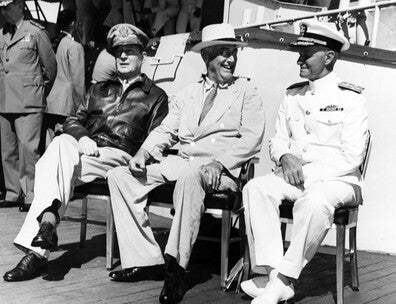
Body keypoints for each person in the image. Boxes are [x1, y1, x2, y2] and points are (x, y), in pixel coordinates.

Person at [105, 23, 265, 304]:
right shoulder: (189, 93)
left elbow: (252, 139)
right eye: (223, 53)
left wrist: (220, 163)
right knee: (119, 176)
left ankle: (176, 269)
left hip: (219, 170)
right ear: (207, 58)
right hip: (182, 163)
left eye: (233, 53)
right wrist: (143, 153)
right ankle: (146, 259)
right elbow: (167, 130)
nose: (230, 59)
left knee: (191, 178)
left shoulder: (246, 92)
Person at [3, 23, 169, 282]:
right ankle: (45, 228)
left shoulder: (155, 96)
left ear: (142, 55)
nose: (123, 56)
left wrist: (137, 157)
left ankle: (37, 252)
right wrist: (81, 138)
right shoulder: (100, 89)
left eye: (130, 51)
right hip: (86, 153)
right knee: (60, 146)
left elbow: (157, 137)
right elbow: (72, 120)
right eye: (119, 52)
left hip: (121, 156)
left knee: (56, 161)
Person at [240, 20, 368, 304]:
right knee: (256, 188)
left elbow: (352, 156)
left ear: (329, 57)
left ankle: (283, 280)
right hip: (296, 176)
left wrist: (304, 173)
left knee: (313, 202)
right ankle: (273, 275)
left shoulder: (351, 99)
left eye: (307, 52)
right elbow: (278, 139)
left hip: (340, 180)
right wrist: (284, 156)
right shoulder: (293, 94)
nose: (299, 58)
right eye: (300, 52)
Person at [0, 0, 57, 209]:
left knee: (28, 150)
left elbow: (49, 66)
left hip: (28, 100)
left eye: (7, 6)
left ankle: (31, 194)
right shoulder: (2, 33)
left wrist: (37, 90)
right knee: (8, 151)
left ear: (20, 5)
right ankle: (13, 193)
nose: (3, 10)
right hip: (4, 99)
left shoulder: (35, 31)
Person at [46, 9, 85, 143]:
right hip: (65, 104)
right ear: (73, 23)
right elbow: (78, 80)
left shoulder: (50, 42)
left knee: (48, 143)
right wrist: (81, 106)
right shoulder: (74, 46)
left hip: (48, 102)